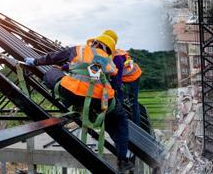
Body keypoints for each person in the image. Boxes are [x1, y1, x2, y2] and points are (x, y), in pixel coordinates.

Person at [24, 34, 134, 172]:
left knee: (52, 72)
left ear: (94, 42)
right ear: (109, 50)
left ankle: (68, 103)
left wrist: (35, 62)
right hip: (101, 100)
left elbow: (54, 57)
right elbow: (110, 78)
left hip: (73, 93)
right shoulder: (109, 61)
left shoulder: (79, 49)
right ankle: (123, 159)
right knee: (119, 119)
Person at [103, 30, 143, 126]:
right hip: (126, 76)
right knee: (120, 97)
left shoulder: (116, 56)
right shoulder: (109, 53)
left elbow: (118, 79)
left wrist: (117, 88)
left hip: (133, 76)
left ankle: (137, 126)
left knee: (133, 102)